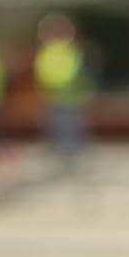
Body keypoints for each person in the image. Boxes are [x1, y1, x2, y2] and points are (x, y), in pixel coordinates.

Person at [34, 13, 92, 169]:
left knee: (70, 125)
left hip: (69, 96)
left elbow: (72, 72)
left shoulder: (70, 51)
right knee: (56, 126)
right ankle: (60, 154)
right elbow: (43, 72)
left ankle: (72, 155)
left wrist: (57, 84)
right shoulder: (46, 52)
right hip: (53, 96)